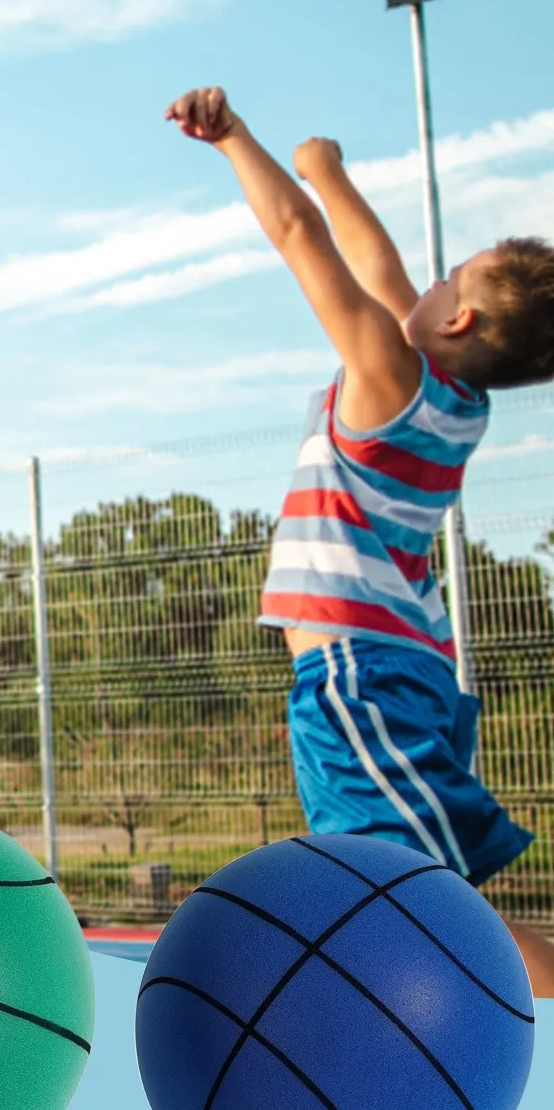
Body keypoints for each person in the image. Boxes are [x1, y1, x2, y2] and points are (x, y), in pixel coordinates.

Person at [168, 84, 554, 997]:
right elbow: (382, 271)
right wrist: (333, 174)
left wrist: (237, 141)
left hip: (359, 677)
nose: (426, 283)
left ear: (454, 318)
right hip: (394, 669)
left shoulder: (388, 375)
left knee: (421, 902)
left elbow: (303, 240)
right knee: (405, 893)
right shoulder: (455, 402)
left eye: (448, 279)